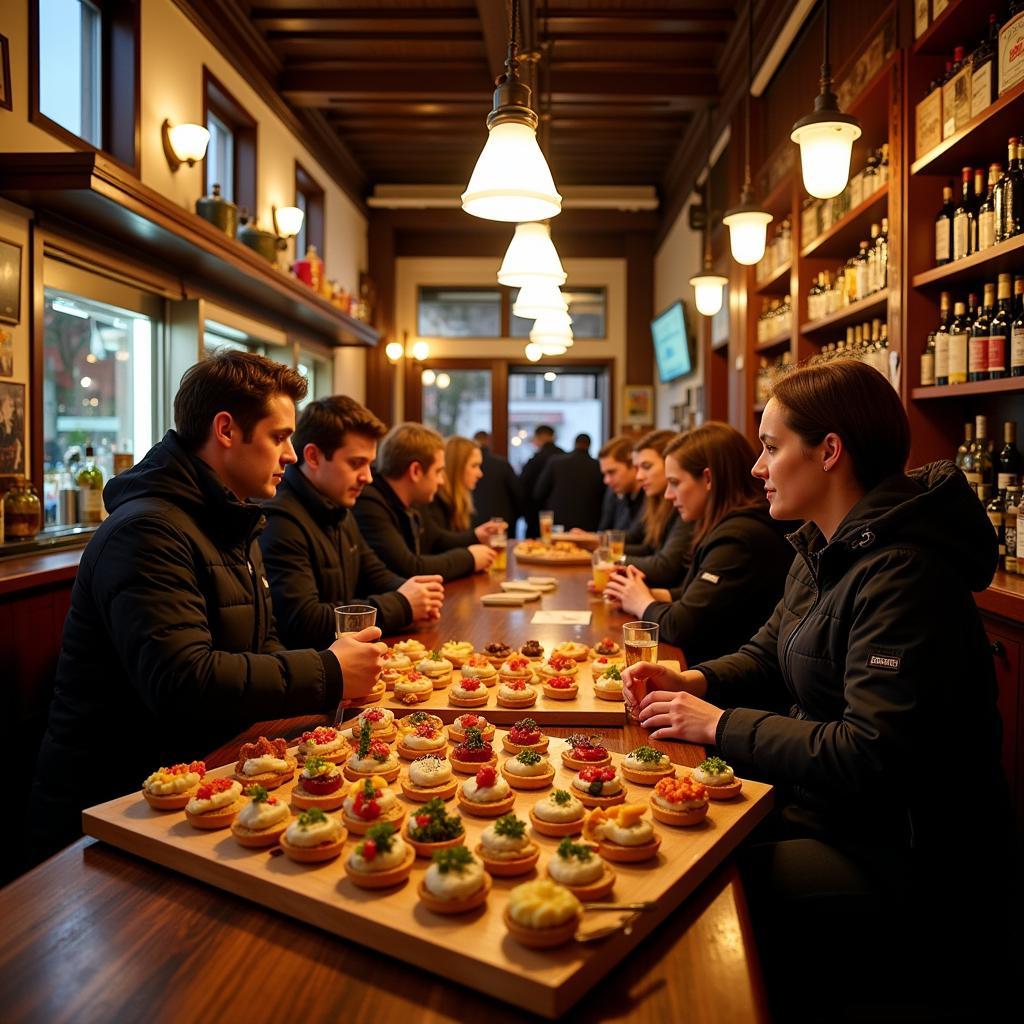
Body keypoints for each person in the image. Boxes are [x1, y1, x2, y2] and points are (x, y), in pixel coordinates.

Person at [623, 360, 1011, 1020]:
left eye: (771, 448)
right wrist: (692, 678)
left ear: (830, 451)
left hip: (905, 851)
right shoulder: (823, 548)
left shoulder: (904, 574)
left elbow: (869, 753)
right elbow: (768, 654)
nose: (756, 467)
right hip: (824, 812)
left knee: (690, 895)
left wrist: (715, 724)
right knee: (653, 847)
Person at [30, 351, 386, 859]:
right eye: (278, 436)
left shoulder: (231, 518)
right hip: (110, 817)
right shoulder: (147, 531)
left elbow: (262, 647)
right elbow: (181, 681)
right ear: (225, 430)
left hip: (200, 783)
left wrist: (331, 680)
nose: (289, 454)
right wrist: (329, 671)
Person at [259, 396, 445, 649]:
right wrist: (402, 604)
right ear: (313, 457)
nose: (367, 477)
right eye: (356, 463)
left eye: (370, 464)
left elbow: (374, 573)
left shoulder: (338, 507)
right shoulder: (280, 519)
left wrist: (415, 593)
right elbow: (304, 622)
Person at [604, 423, 792, 665]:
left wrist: (641, 602)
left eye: (675, 482)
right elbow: (701, 595)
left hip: (725, 680)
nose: (669, 495)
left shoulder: (739, 537)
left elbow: (681, 626)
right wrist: (646, 593)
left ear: (707, 479)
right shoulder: (731, 526)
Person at [353, 422, 495, 580]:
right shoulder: (369, 503)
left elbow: (436, 539)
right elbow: (410, 568)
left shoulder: (413, 501)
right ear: (415, 471)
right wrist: (470, 558)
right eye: (438, 471)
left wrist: (475, 537)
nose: (442, 481)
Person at [619, 429, 693, 587]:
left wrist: (610, 558)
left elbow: (664, 568)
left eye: (646, 466)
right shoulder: (655, 501)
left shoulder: (687, 504)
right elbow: (648, 548)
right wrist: (597, 546)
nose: (639, 476)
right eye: (637, 468)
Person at [421, 435, 503, 548]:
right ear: (457, 467)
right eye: (474, 466)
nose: (480, 474)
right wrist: (476, 536)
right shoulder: (433, 501)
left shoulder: (462, 501)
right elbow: (439, 544)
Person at [533, 432, 606, 531]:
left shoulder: (555, 462)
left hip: (558, 522)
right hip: (588, 523)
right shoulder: (597, 466)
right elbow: (604, 497)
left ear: (574, 444)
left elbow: (539, 492)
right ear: (589, 445)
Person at [470, 430, 523, 530]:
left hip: (474, 520)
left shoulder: (501, 464)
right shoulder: (502, 464)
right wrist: (516, 516)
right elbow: (517, 493)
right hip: (502, 520)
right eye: (474, 466)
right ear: (489, 441)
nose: (479, 474)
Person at [519, 424, 564, 537]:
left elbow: (523, 487)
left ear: (537, 438)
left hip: (536, 516)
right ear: (553, 437)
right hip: (561, 517)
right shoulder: (564, 457)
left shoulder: (534, 460)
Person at [595, 435, 644, 536]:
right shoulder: (614, 493)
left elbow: (639, 542)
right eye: (605, 474)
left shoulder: (650, 498)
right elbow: (604, 531)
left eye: (612, 472)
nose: (606, 480)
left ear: (634, 466)